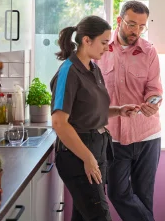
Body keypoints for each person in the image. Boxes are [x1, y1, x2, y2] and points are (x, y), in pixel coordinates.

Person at [50, 15, 139, 221]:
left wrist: (118, 110)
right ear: (86, 40)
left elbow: (89, 109)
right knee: (100, 216)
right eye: (104, 42)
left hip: (97, 148)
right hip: (78, 154)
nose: (107, 48)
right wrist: (87, 158)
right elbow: (59, 122)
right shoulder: (68, 72)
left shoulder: (93, 68)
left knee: (84, 216)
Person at [96, 1, 163, 221]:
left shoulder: (149, 52)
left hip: (147, 135)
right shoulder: (102, 50)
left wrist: (152, 102)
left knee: (144, 197)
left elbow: (154, 89)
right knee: (117, 193)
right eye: (131, 24)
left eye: (141, 26)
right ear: (119, 20)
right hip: (113, 137)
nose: (136, 31)